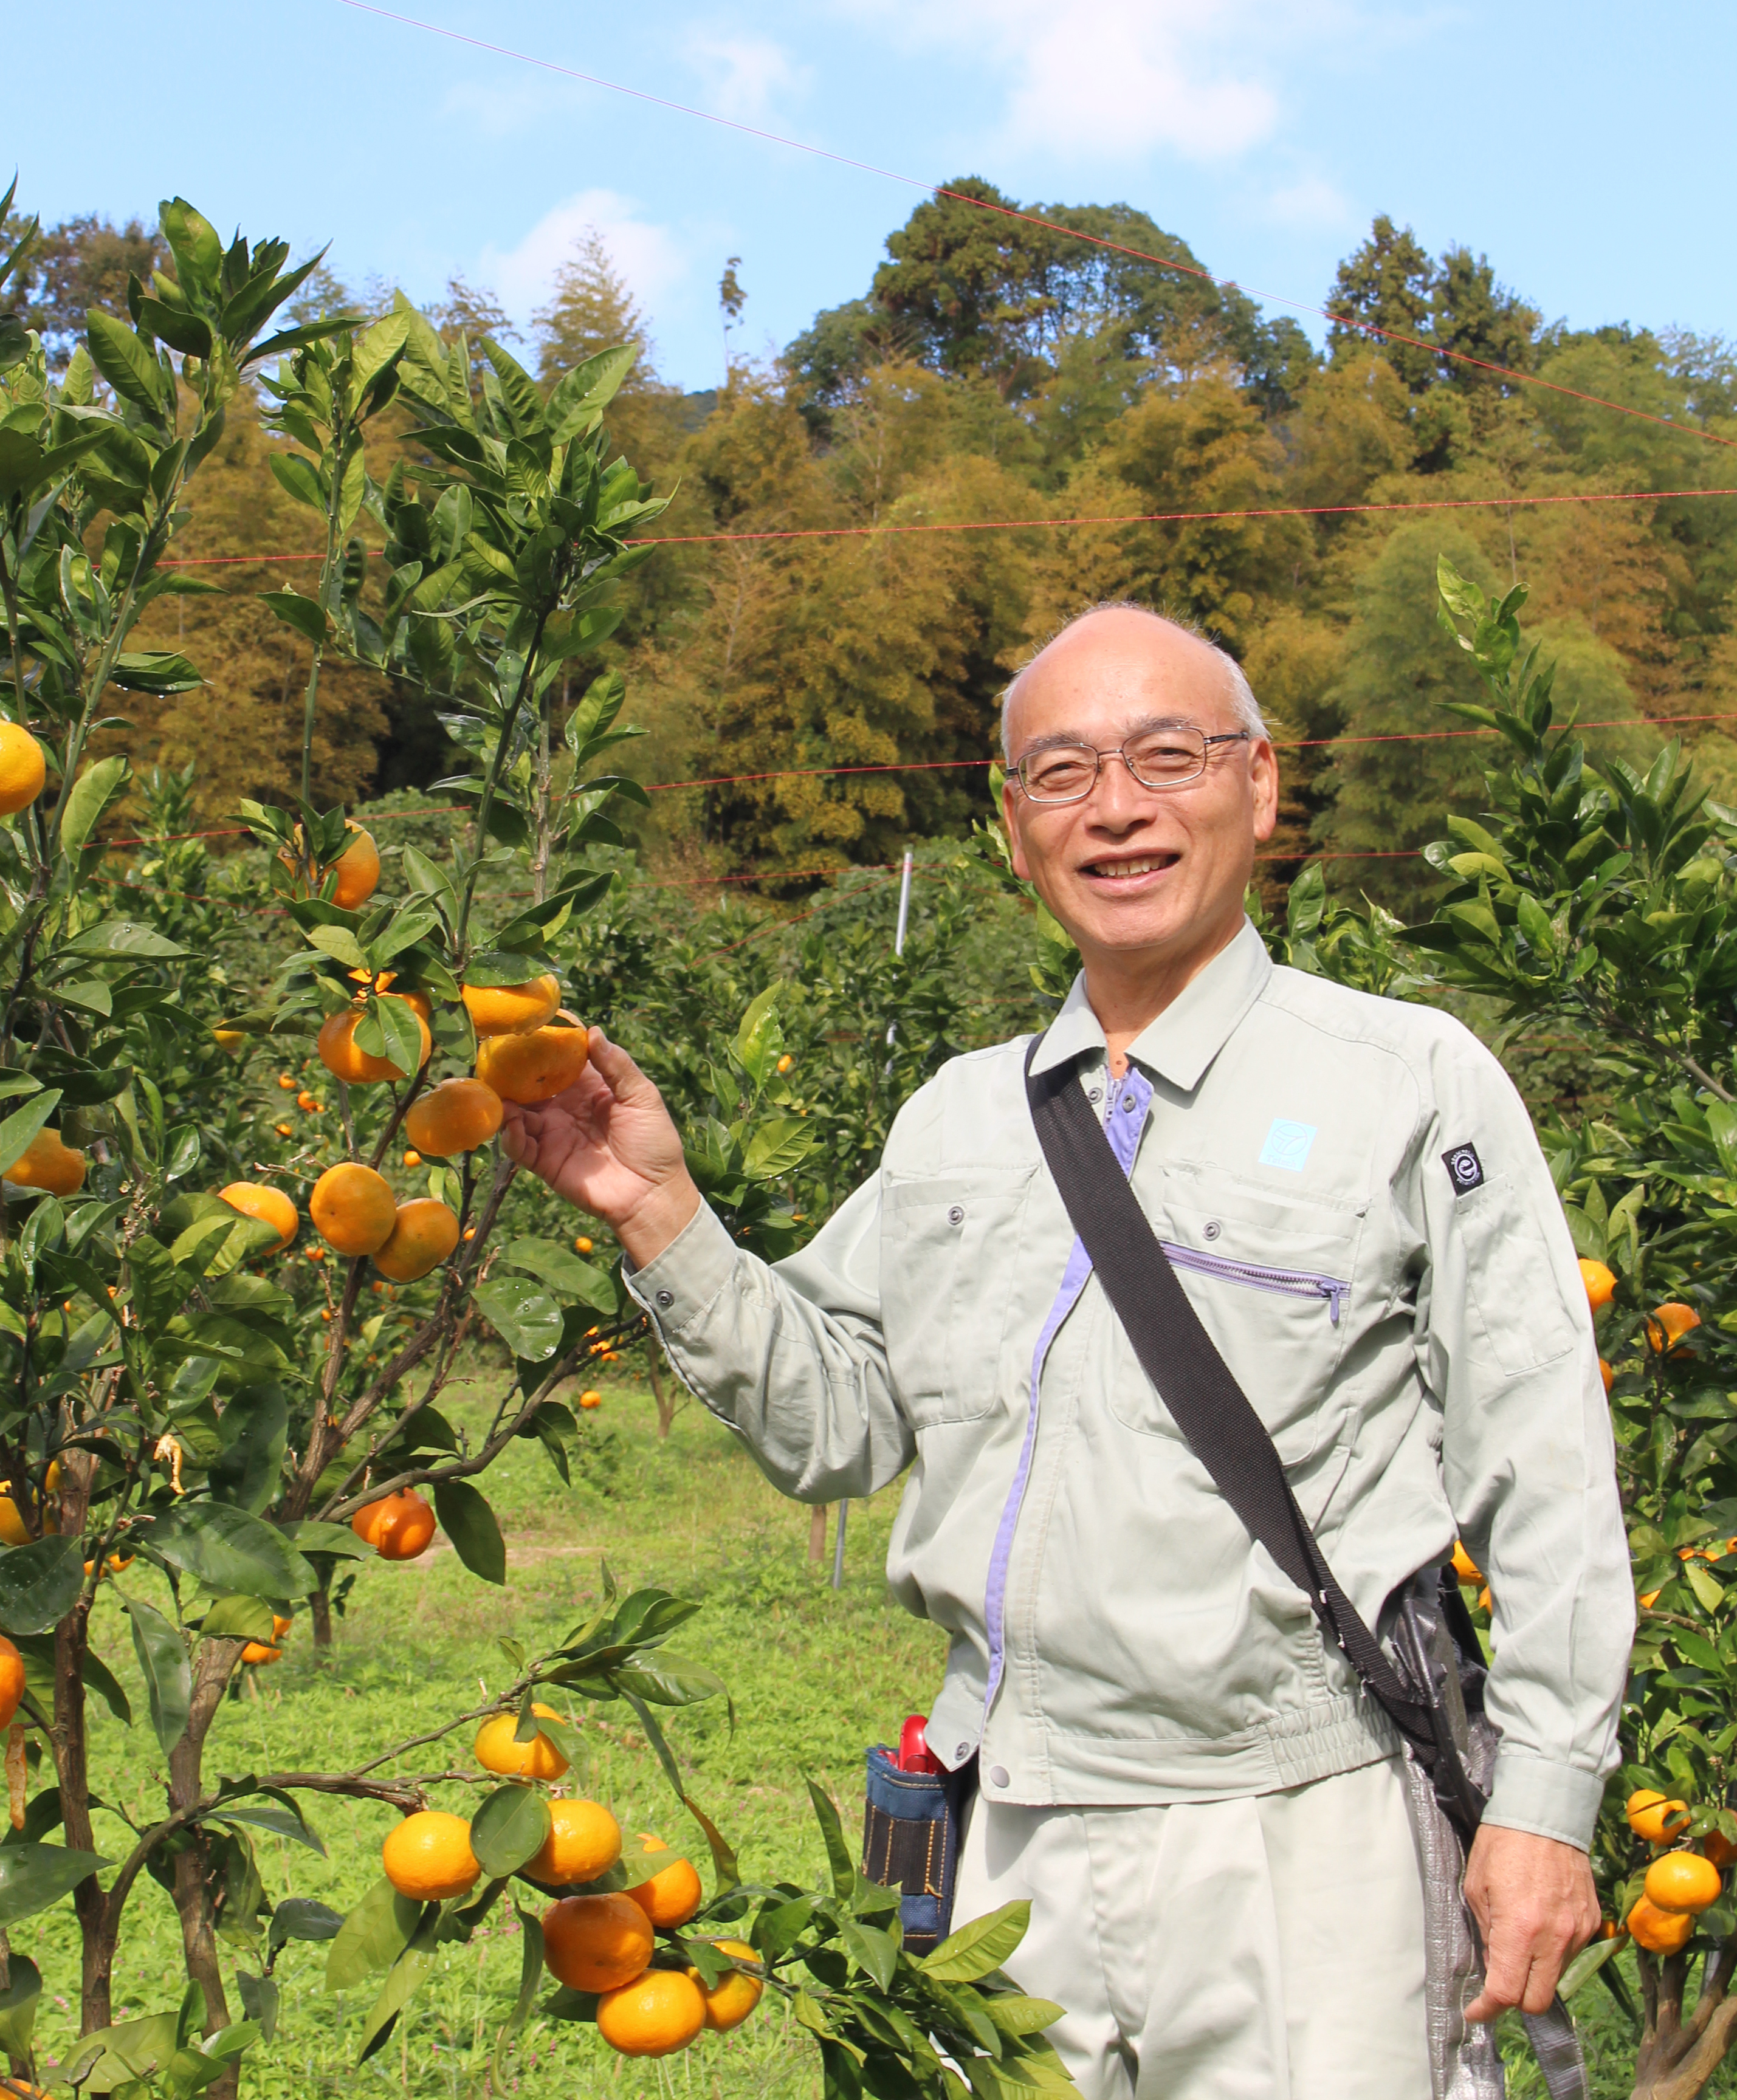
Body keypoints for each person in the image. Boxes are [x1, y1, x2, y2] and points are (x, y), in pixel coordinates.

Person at [501, 603, 1632, 2098]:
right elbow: (838, 1426)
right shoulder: (956, 1120)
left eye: (1169, 756)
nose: (1117, 808)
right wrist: (661, 1216)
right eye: (1064, 772)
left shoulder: (1408, 1082)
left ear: (1262, 786)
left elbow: (1541, 1456)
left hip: (1304, 1824)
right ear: (1013, 829)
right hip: (1010, 1835)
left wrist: (1546, 1803)